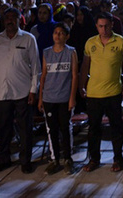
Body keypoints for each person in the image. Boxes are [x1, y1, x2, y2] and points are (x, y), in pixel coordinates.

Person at [0, 7, 40, 174]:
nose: (9, 20)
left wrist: (33, 90)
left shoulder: (28, 39)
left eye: (13, 17)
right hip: (1, 92)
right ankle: (3, 160)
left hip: (23, 91)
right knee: (3, 129)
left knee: (25, 129)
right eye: (7, 17)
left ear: (19, 20)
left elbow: (36, 68)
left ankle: (25, 161)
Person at [80, 12, 123, 173]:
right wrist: (81, 85)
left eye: (107, 26)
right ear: (96, 26)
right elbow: (85, 66)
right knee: (94, 129)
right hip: (94, 93)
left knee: (117, 128)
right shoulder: (90, 43)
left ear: (112, 25)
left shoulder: (121, 42)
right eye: (101, 26)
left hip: (113, 92)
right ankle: (94, 159)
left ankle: (118, 159)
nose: (104, 29)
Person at [38, 22, 78, 175]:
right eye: (55, 32)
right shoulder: (47, 52)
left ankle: (67, 159)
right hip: (49, 97)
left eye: (61, 33)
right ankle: (55, 160)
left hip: (64, 97)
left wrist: (72, 98)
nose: (57, 35)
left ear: (67, 36)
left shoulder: (71, 52)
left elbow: (74, 76)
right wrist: (41, 98)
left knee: (65, 128)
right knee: (52, 130)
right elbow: (43, 76)